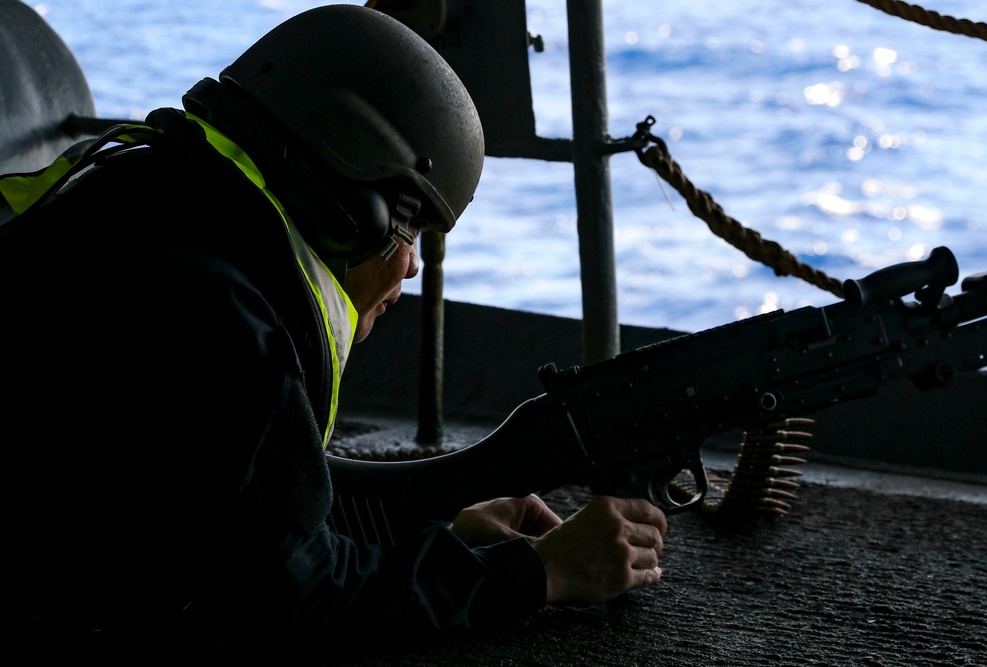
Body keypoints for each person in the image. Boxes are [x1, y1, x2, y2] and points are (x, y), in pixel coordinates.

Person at [3, 4, 667, 658]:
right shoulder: (230, 330)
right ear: (357, 211)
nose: (410, 267)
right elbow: (296, 597)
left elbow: (236, 508)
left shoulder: (134, 197)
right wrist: (543, 572)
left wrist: (447, 538)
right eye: (412, 232)